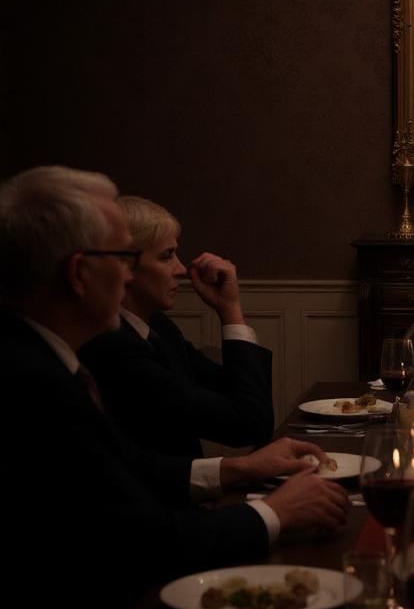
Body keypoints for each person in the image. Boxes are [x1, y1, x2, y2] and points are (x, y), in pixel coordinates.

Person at [0, 166, 349, 609]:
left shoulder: (43, 356)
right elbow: (143, 540)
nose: (131, 276)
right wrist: (272, 514)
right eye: (123, 258)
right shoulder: (30, 382)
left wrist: (237, 469)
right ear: (78, 274)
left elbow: (125, 467)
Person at [80, 195, 273, 457]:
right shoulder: (113, 347)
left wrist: (229, 309)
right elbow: (247, 425)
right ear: (123, 268)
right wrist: (231, 310)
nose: (181, 269)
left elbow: (244, 402)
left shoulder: (159, 326)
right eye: (166, 256)